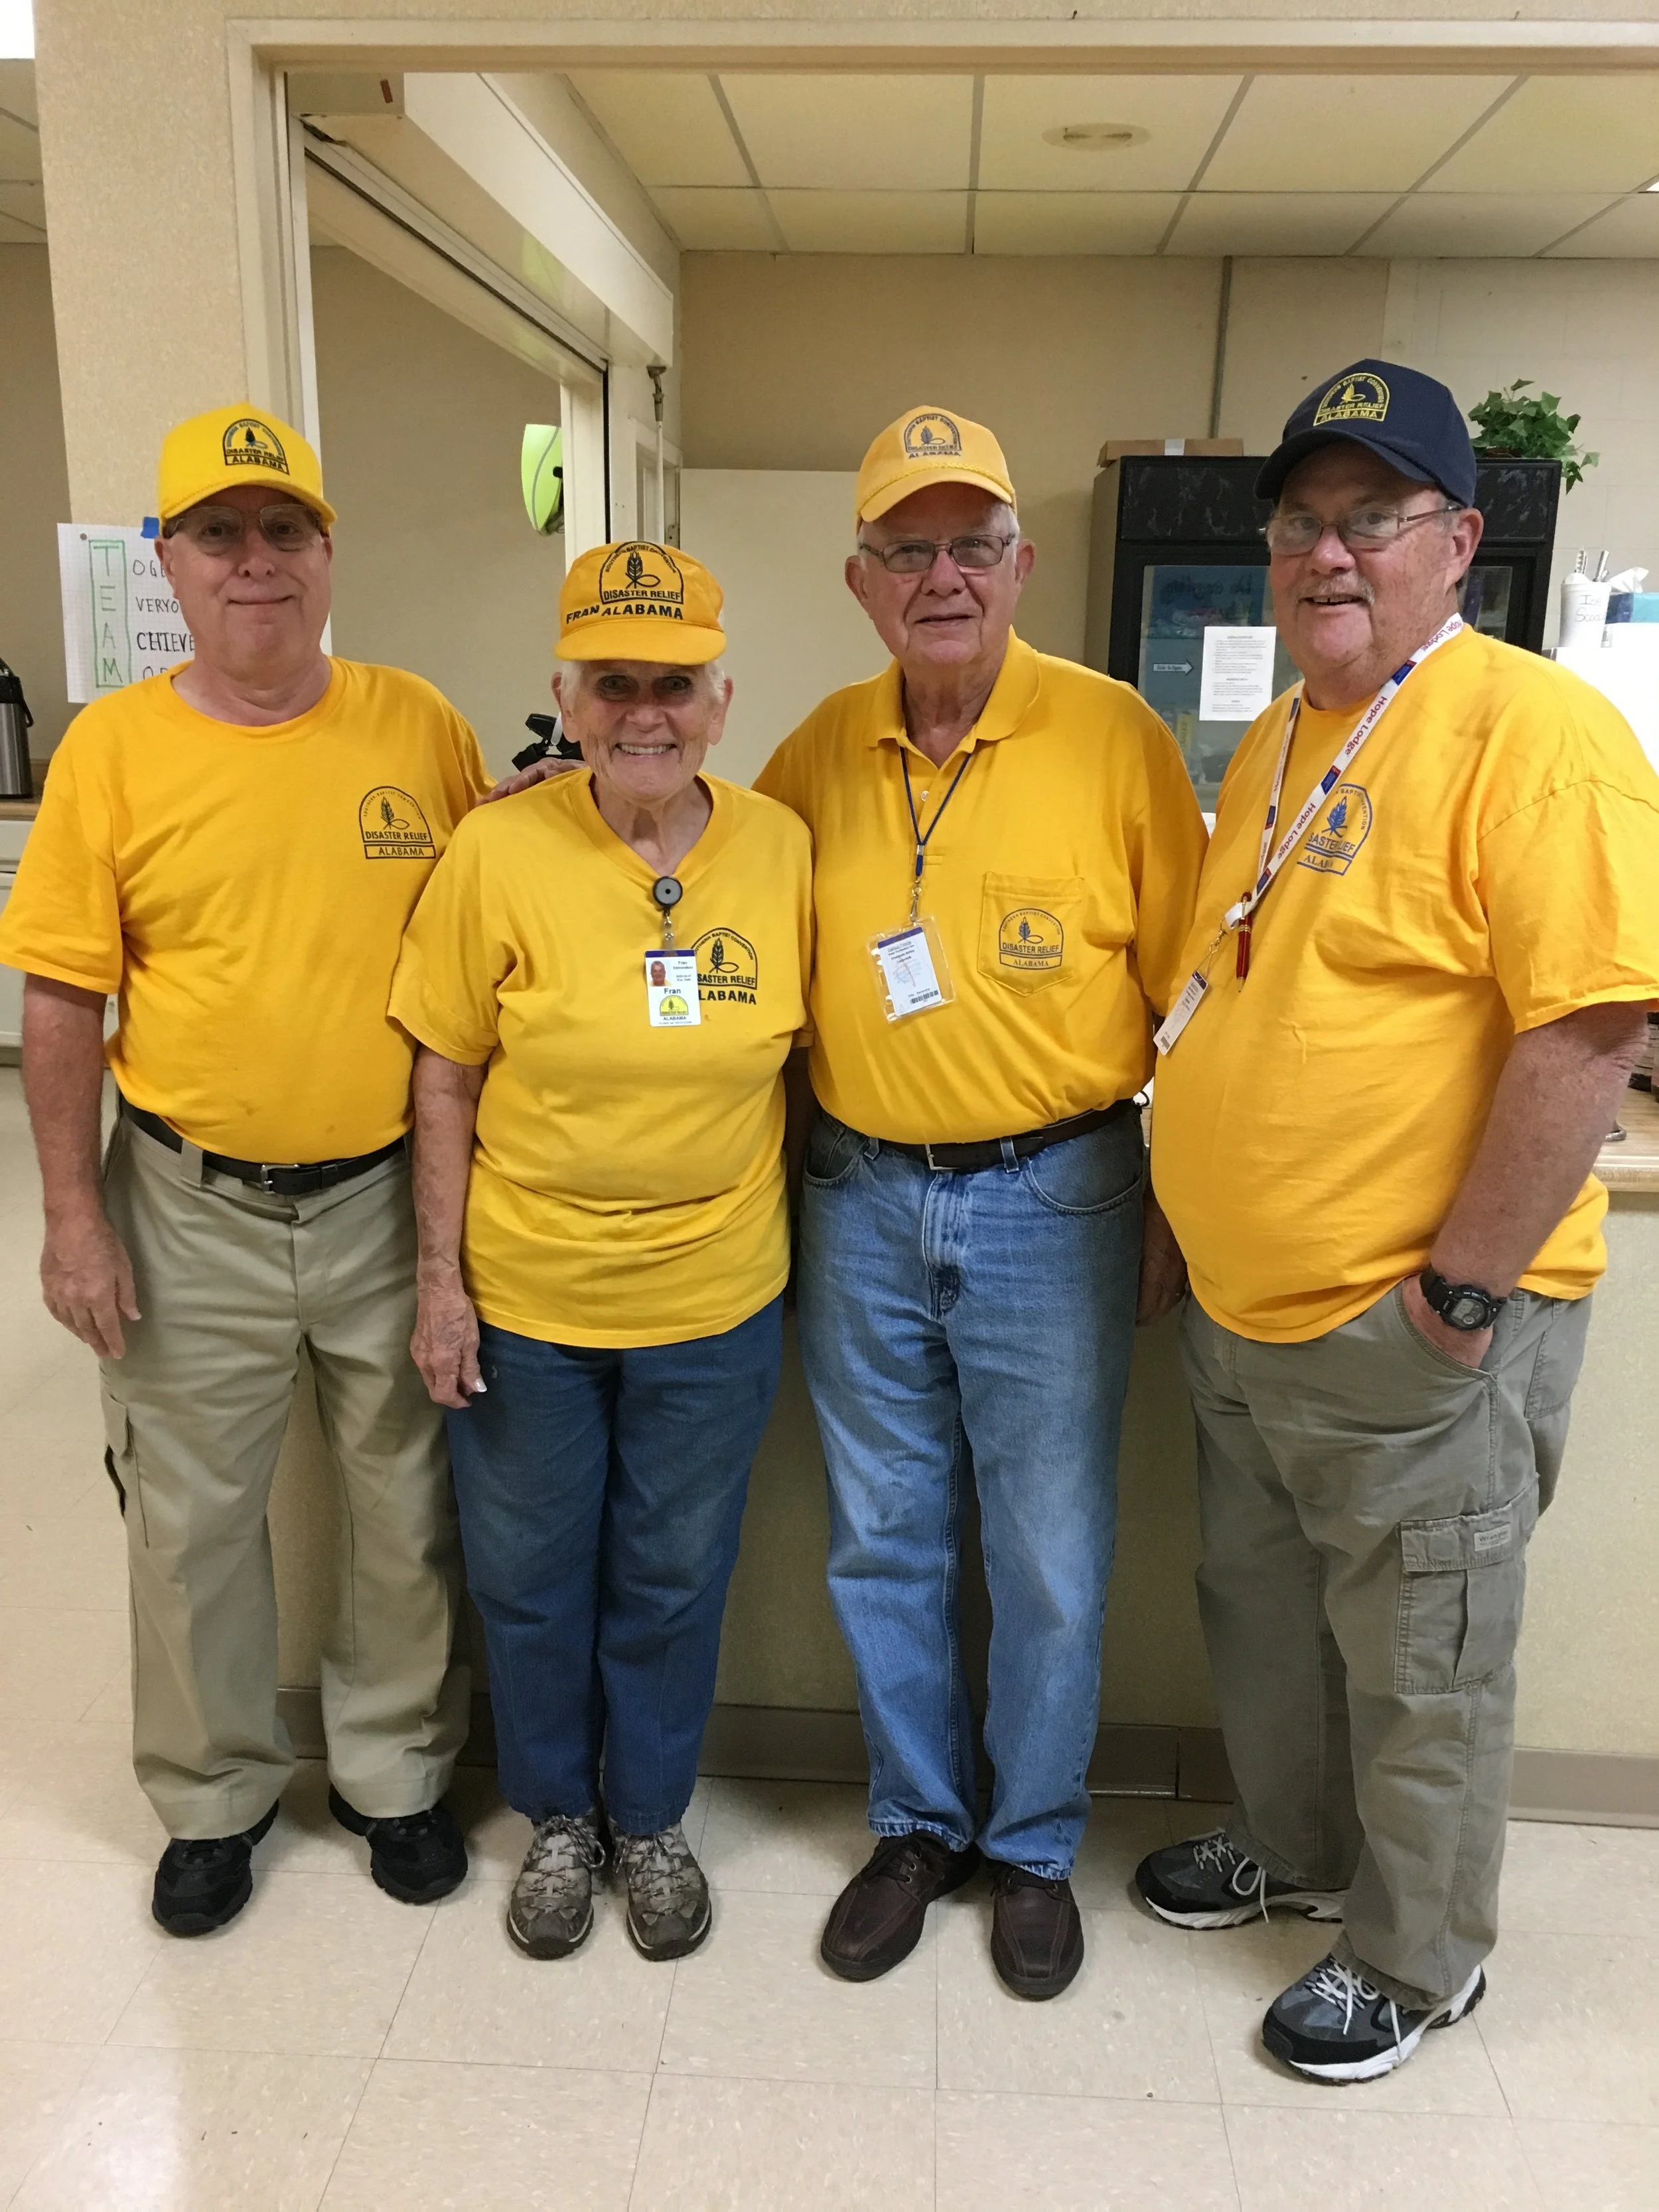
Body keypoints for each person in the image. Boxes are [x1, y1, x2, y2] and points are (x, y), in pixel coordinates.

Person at [1135, 359, 1659, 2081]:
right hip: (1247, 1318)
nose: (1328, 553)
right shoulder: (1285, 731)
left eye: (1374, 519)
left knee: (1424, 1660)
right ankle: (1292, 1856)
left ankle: (1420, 1956)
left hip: (1409, 1331)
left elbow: (1585, 1031)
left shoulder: (1535, 733)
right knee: (1267, 1622)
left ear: (1462, 540)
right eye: (1302, 521)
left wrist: (1455, 1290)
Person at [0, 404, 488, 1933]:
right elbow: (64, 996)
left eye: (285, 530)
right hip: (185, 1203)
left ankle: (393, 1774)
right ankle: (212, 1798)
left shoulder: (420, 727)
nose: (255, 561)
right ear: (170, 562)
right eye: (220, 533)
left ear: (328, 552)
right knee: (190, 1521)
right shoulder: (112, 752)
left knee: (404, 1506)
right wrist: (73, 1215)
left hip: (385, 1200)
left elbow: (488, 962)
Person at [753, 408, 1208, 1999]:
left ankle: (1027, 1844)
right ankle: (913, 1825)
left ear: (1020, 565)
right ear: (860, 581)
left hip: (1056, 1197)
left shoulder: (1117, 741)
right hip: (859, 1196)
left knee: (1049, 1556)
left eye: (969, 544)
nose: (939, 576)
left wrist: (1170, 1204)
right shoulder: (809, 752)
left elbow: (1189, 1007)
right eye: (904, 549)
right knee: (881, 1539)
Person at [390, 540, 812, 1964]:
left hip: (713, 1294)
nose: (648, 711)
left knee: (673, 1573)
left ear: (721, 697)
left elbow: (804, 1069)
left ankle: (649, 1817)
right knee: (527, 1572)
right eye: (614, 682)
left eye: (675, 683)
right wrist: (440, 1286)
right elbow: (441, 1073)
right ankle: (557, 1817)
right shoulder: (493, 850)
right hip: (527, 1295)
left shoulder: (781, 847)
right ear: (566, 701)